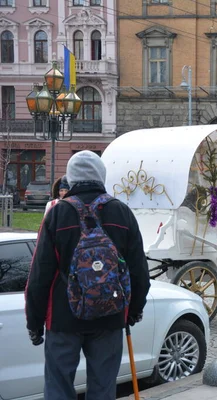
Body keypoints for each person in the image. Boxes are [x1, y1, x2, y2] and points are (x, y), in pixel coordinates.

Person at [25, 150, 151, 400]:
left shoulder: (58, 214)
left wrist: (34, 322)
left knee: (58, 387)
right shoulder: (122, 212)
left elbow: (39, 275)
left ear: (70, 178)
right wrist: (133, 311)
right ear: (101, 175)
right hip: (110, 316)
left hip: (63, 319)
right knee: (103, 389)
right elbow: (139, 272)